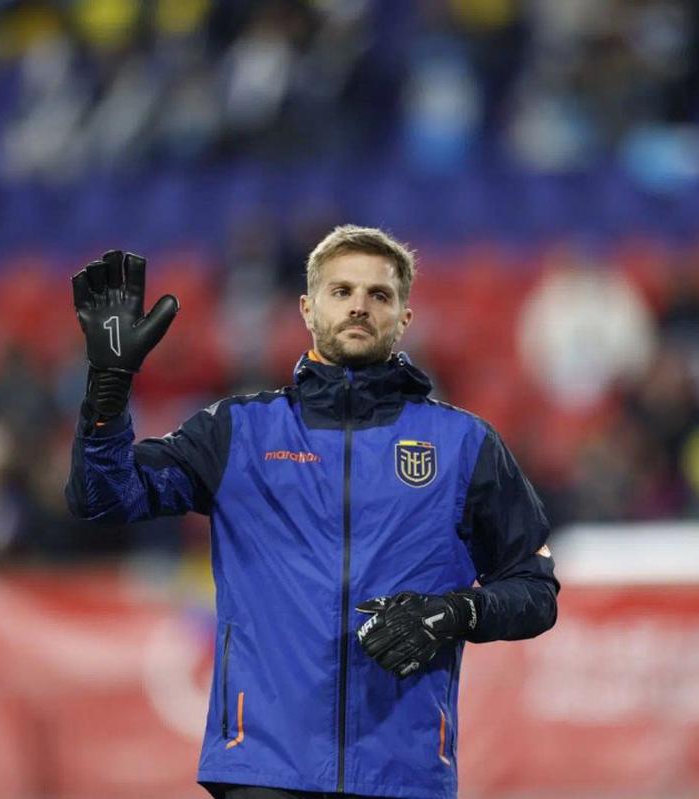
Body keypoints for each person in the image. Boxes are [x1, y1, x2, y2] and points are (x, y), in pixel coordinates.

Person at [65, 225, 559, 799]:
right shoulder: (237, 433)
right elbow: (102, 497)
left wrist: (457, 613)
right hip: (263, 769)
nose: (359, 305)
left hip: (404, 772)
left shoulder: (464, 445)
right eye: (341, 290)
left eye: (380, 295)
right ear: (307, 307)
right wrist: (107, 388)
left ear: (404, 317)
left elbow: (535, 590)